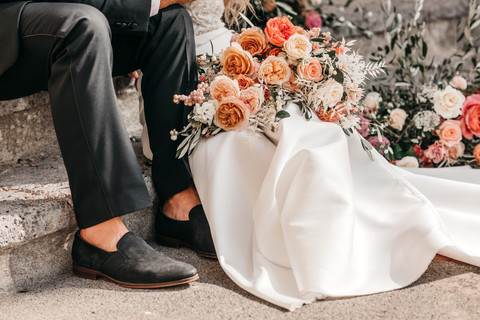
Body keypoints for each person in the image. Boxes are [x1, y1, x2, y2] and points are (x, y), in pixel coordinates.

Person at [141, 0, 480, 311]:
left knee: (311, 127)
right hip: (180, 84)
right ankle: (319, 246)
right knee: (261, 144)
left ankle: (369, 223)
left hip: (233, 54)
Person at [0, 0, 214, 288]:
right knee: (84, 25)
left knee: (171, 21)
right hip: (12, 25)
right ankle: (100, 233)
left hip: (57, 20)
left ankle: (179, 201)